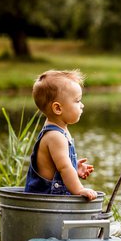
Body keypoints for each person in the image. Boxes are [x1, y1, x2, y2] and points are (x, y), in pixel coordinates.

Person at [24, 69, 98, 200]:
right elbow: (64, 168)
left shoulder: (59, 130)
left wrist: (74, 168)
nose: (82, 105)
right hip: (45, 203)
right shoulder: (55, 136)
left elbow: (57, 167)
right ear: (58, 108)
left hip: (52, 202)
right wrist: (79, 189)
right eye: (77, 101)